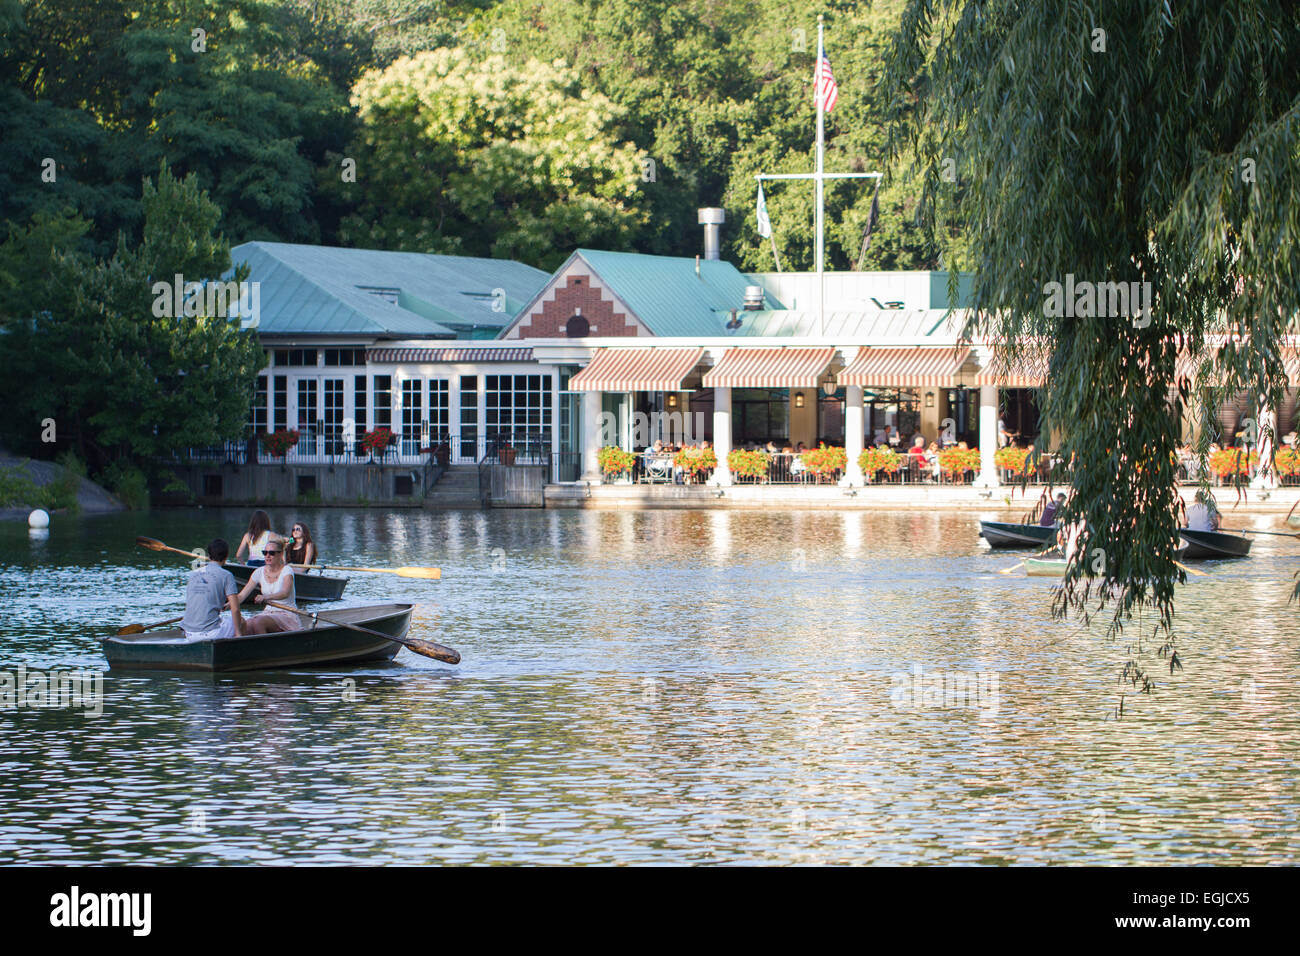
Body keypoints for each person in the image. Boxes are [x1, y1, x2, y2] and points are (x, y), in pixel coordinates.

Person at [235, 534, 299, 634]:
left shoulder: (287, 570)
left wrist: (265, 597)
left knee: (258, 623)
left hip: (286, 613)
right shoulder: (258, 572)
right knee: (245, 625)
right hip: (268, 613)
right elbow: (242, 595)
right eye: (265, 553)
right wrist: (229, 603)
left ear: (280, 554)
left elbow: (285, 593)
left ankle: (264, 648)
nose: (267, 556)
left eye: (271, 553)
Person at [181, 538, 243, 641]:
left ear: (209, 556)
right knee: (242, 622)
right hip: (211, 633)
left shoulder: (193, 574)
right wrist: (238, 632)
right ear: (226, 556)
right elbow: (235, 609)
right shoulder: (227, 575)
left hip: (188, 632)